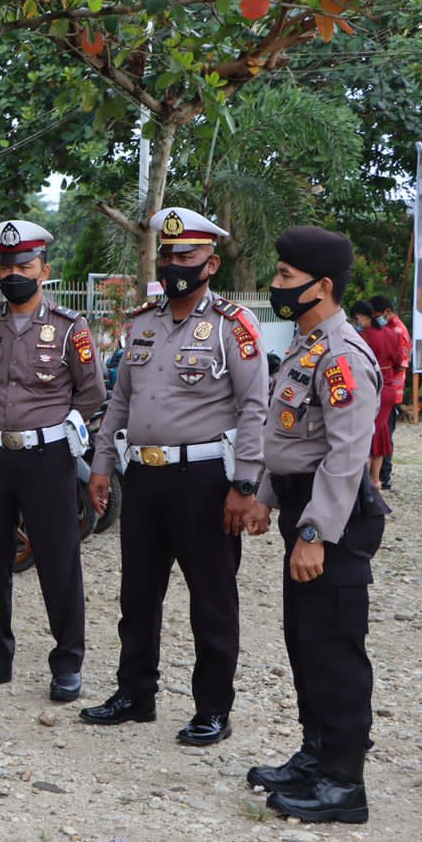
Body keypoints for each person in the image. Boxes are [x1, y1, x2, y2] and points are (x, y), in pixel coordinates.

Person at [79, 208, 267, 745]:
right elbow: (120, 402)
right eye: (168, 255)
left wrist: (245, 483)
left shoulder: (234, 326)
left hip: (205, 480)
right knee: (137, 595)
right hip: (144, 478)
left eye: (186, 256)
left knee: (211, 600)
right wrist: (101, 464)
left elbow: (254, 407)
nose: (175, 264)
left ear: (211, 262)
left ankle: (213, 708)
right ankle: (135, 693)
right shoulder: (141, 322)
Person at [244, 226, 386, 824]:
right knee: (304, 640)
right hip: (305, 507)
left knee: (334, 646)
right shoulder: (306, 349)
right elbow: (293, 442)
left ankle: (344, 783)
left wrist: (314, 533)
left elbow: (346, 455)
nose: (275, 286)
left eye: (284, 277)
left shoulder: (342, 355)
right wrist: (267, 497)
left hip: (336, 519)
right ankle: (316, 753)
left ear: (321, 286)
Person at [0, 220, 106, 702]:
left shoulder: (69, 328)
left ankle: (67, 663)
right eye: (6, 265)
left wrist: (56, 429)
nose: (13, 272)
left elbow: (93, 391)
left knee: (59, 561)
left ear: (45, 270)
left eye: (24, 265)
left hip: (47, 458)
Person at [350, 301, 399, 491]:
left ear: (363, 316)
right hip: (388, 388)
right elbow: (397, 361)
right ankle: (375, 480)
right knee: (381, 431)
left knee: (367, 433)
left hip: (370, 388)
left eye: (357, 318)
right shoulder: (391, 334)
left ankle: (366, 481)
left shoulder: (361, 337)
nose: (357, 322)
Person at [369, 296, 409, 488]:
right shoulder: (390, 329)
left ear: (385, 312)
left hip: (390, 387)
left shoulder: (397, 331)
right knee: (383, 430)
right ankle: (381, 475)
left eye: (376, 315)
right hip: (389, 387)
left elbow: (400, 363)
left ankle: (384, 475)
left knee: (385, 432)